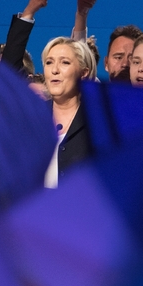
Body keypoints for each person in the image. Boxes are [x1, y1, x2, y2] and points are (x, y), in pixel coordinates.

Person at [41, 37, 96, 188]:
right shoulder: (32, 117)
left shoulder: (97, 121)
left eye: (64, 62)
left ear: (84, 73)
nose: (54, 70)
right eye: (49, 62)